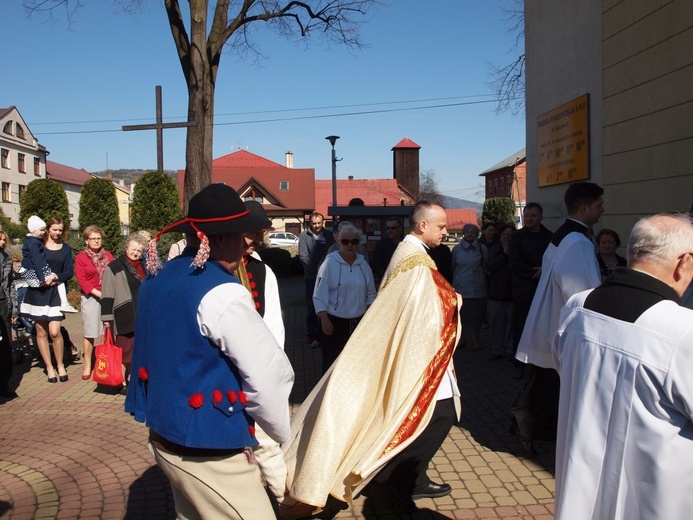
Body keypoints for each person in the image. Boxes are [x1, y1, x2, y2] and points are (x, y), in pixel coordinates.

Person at [125, 184, 294, 519]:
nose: (245, 242)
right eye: (239, 234)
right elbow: (269, 375)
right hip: (210, 446)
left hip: (163, 434)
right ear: (218, 238)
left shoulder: (156, 278)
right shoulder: (223, 292)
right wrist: (279, 433)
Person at [283, 201, 460, 516]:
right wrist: (454, 300)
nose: (446, 231)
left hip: (369, 329)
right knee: (423, 413)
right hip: (360, 333)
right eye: (441, 226)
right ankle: (394, 479)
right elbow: (429, 307)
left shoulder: (408, 256)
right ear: (422, 226)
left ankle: (404, 477)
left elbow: (383, 299)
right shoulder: (416, 262)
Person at [551, 214, 693, 519]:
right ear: (683, 263)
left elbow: (566, 370)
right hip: (653, 501)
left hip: (579, 489)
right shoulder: (683, 331)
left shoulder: (577, 306)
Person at [512, 183, 603, 451]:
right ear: (584, 208)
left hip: (551, 321)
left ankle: (527, 426)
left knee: (544, 383)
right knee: (552, 387)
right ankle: (531, 428)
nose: (603, 209)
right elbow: (581, 291)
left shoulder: (563, 234)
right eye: (599, 205)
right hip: (565, 327)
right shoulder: (577, 241)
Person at [233, 201, 289, 505]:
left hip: (258, 365)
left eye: (260, 233)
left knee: (266, 435)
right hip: (225, 370)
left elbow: (274, 323)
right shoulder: (212, 265)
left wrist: (273, 363)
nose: (257, 239)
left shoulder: (261, 269)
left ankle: (284, 498)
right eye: (252, 233)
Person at [314, 222, 376, 375]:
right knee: (332, 363)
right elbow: (319, 293)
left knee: (356, 362)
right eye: (345, 241)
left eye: (354, 241)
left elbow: (371, 294)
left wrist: (370, 318)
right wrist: (324, 319)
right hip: (335, 322)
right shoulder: (329, 263)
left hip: (358, 322)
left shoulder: (363, 264)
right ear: (339, 241)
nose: (350, 245)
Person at [20, 217, 73, 384]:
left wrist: (57, 276)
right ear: (48, 229)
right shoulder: (37, 244)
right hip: (37, 292)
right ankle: (49, 367)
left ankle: (60, 364)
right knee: (41, 332)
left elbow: (69, 272)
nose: (57, 233)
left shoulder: (66, 249)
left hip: (56, 292)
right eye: (54, 229)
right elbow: (28, 262)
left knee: (55, 332)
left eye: (60, 230)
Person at [507, 203, 553, 376]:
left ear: (541, 217)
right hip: (523, 291)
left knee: (542, 327)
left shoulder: (550, 237)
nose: (529, 219)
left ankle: (540, 363)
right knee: (521, 327)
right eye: (526, 216)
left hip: (544, 290)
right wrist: (535, 273)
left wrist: (545, 270)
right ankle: (519, 363)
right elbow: (514, 262)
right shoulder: (516, 237)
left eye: (533, 216)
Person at [100, 233, 148, 393]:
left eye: (139, 250)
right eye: (133, 249)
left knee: (139, 349)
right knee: (126, 351)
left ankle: (134, 378)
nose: (136, 253)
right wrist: (106, 317)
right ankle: (126, 379)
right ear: (126, 248)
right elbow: (107, 293)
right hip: (124, 314)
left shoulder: (145, 266)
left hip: (142, 313)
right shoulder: (113, 267)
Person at [75, 226, 114, 380]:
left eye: (99, 238)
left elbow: (113, 274)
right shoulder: (81, 258)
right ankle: (87, 364)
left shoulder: (109, 256)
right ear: (86, 241)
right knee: (90, 332)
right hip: (91, 296)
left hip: (108, 295)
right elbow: (82, 280)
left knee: (109, 331)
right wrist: (98, 293)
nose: (96, 241)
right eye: (93, 238)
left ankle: (106, 361)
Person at [298, 212, 334, 347]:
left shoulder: (329, 235)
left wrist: (326, 271)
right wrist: (317, 271)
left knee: (327, 305)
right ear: (310, 223)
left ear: (323, 222)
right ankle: (311, 335)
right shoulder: (304, 236)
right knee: (312, 307)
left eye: (319, 223)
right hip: (312, 277)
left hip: (328, 277)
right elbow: (304, 257)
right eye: (314, 223)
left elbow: (331, 253)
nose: (317, 226)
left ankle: (324, 334)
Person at [451, 223, 487, 350]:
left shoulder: (482, 249)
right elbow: (453, 266)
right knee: (461, 315)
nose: (470, 234)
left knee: (477, 316)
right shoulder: (456, 250)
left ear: (477, 234)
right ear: (464, 234)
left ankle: (476, 339)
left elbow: (485, 265)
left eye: (473, 232)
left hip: (477, 286)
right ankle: (462, 338)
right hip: (461, 286)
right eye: (468, 232)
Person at [486, 223, 515, 360]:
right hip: (496, 293)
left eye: (509, 235)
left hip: (512, 293)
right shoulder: (494, 249)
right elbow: (489, 265)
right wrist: (504, 254)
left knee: (511, 324)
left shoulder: (517, 248)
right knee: (497, 323)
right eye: (504, 235)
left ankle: (509, 349)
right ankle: (497, 349)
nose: (506, 238)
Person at [0, 230, 16, 399]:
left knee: (5, 348)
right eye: (0, 239)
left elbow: (10, 284)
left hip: (3, 304)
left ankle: (4, 386)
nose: (3, 242)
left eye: (4, 239)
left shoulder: (6, 256)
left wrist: (14, 309)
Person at [371, 217, 403, 285]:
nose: (390, 230)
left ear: (400, 229)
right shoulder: (381, 245)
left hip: (404, 281)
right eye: (387, 228)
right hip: (386, 282)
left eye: (393, 228)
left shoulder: (406, 243)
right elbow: (377, 265)